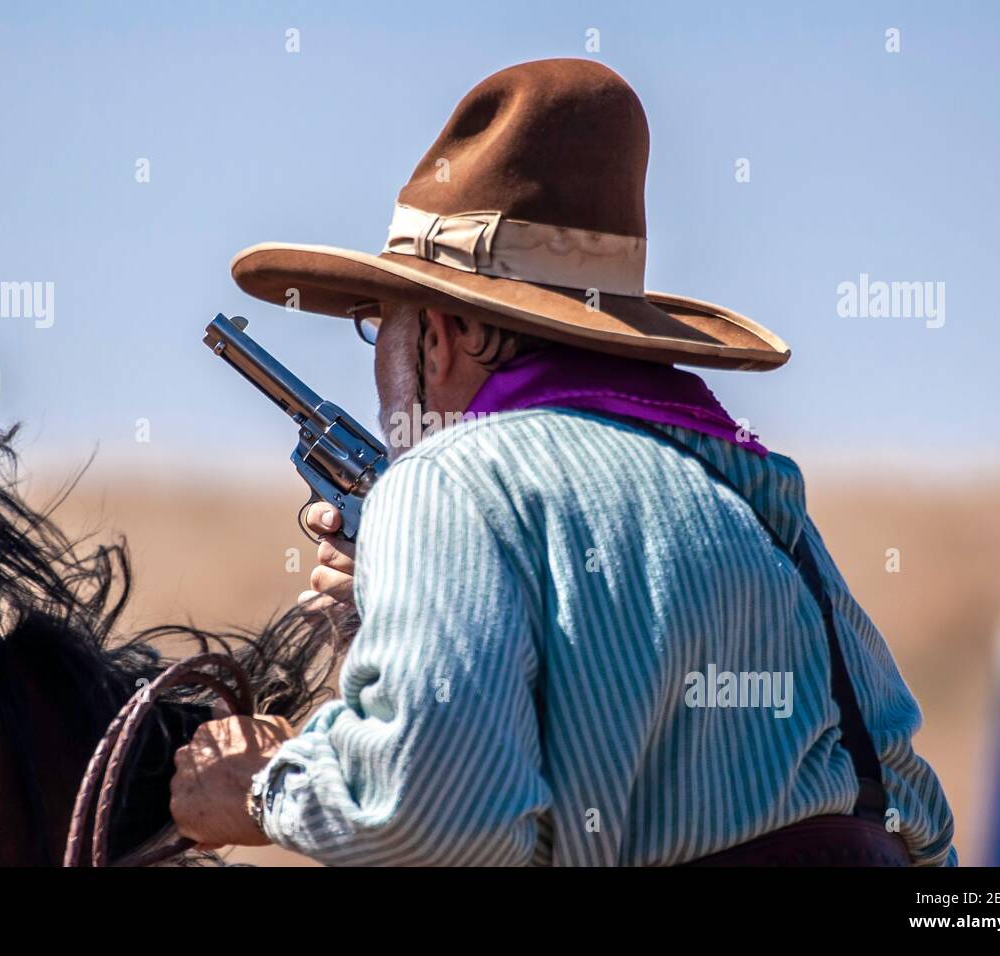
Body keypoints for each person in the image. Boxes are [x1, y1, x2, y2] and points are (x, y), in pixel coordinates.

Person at [169, 58, 957, 866]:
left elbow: (427, 816)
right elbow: (913, 811)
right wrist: (403, 629)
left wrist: (263, 785)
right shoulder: (754, 490)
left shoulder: (448, 485)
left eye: (380, 325)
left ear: (438, 335)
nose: (377, 361)